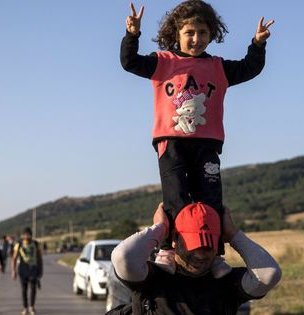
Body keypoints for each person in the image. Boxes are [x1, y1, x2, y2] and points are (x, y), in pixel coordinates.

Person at [120, 0, 274, 276]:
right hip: (172, 142)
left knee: (210, 198)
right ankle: (167, 250)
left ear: (212, 34)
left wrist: (258, 43)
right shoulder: (163, 62)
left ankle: (214, 255)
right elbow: (130, 62)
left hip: (207, 143)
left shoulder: (218, 67)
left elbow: (250, 68)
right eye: (189, 32)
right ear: (177, 33)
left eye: (203, 32)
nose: (196, 38)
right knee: (176, 197)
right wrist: (132, 35)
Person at [109, 202, 282, 314]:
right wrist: (161, 229)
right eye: (193, 246)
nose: (200, 254)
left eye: (207, 247)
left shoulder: (225, 283)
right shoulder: (154, 279)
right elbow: (123, 257)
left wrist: (233, 235)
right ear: (175, 240)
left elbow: (268, 275)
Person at [12, 227, 43, 315]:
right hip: (23, 268)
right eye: (25, 234)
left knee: (33, 288)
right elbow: (14, 258)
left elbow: (39, 258)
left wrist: (41, 270)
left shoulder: (36, 244)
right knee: (24, 289)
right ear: (22, 235)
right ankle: (25, 308)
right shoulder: (19, 244)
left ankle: (32, 307)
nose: (27, 236)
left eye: (28, 234)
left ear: (31, 235)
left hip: (33, 268)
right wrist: (13, 271)